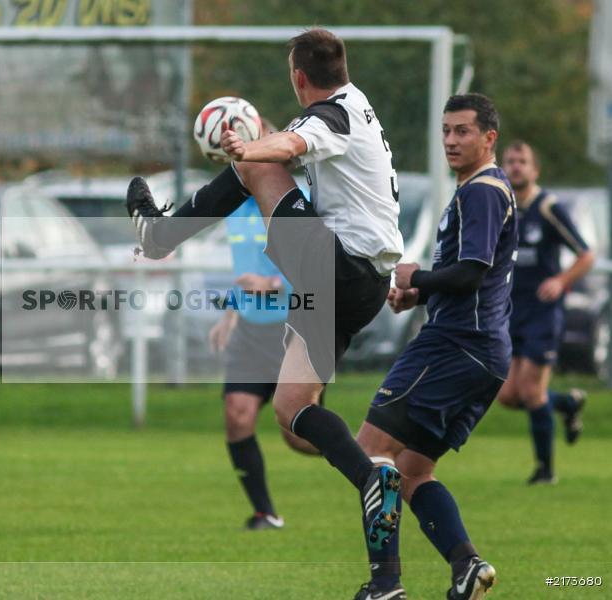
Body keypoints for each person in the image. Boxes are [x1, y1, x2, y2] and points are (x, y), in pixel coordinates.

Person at [126, 27, 406, 582]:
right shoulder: (354, 107)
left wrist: (249, 149)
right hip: (359, 284)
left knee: (255, 170)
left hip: (339, 267)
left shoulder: (335, 114)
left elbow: (291, 146)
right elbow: (303, 145)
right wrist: (264, 145)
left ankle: (159, 235)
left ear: (298, 77)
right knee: (293, 410)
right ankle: (380, 531)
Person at [357, 93, 516, 599]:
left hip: (455, 345)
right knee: (412, 470)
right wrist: (421, 294)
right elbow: (476, 276)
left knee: (371, 451)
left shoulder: (482, 192)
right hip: (484, 353)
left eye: (462, 131)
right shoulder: (483, 188)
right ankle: (467, 566)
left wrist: (416, 277)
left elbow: (471, 274)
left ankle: (385, 583)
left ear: (489, 137)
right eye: (446, 130)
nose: (450, 140)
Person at [209, 191, 320, 531]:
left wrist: (272, 284)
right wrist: (231, 311)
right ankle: (265, 514)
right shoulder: (234, 205)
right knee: (237, 414)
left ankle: (372, 453)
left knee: (299, 435)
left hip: (294, 327)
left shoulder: (296, 200)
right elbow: (246, 270)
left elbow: (316, 264)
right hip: (250, 330)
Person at [495, 141, 594, 484]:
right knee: (508, 396)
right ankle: (566, 404)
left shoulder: (549, 207)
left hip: (543, 313)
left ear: (535, 169)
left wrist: (561, 281)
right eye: (510, 161)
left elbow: (586, 255)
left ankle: (545, 471)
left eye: (522, 161)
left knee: (532, 390)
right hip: (511, 311)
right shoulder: (503, 208)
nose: (516, 166)